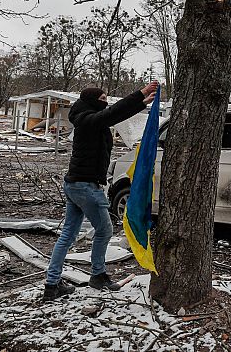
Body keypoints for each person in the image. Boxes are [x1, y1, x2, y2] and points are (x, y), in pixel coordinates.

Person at [43, 81, 158, 301]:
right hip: (85, 186)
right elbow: (111, 115)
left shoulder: (88, 119)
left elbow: (113, 115)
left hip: (76, 184)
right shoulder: (87, 120)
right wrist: (139, 95)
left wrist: (139, 103)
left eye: (106, 100)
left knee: (68, 234)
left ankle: (52, 284)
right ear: (90, 102)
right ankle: (98, 276)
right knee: (104, 230)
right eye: (102, 100)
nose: (105, 103)